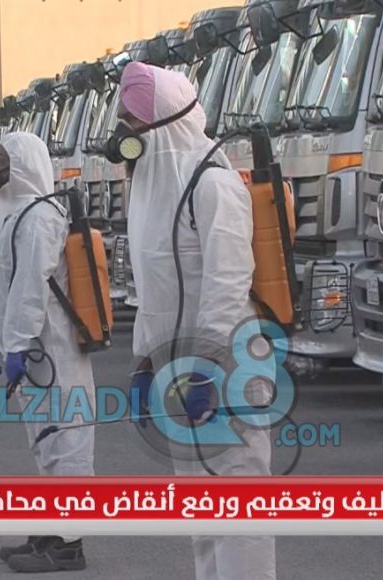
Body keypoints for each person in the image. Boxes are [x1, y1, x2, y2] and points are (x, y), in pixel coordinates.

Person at [118, 62, 276, 580]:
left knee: (238, 510)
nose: (125, 134)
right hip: (177, 373)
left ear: (165, 121)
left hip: (224, 372)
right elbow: (153, 288)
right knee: (203, 512)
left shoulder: (213, 183)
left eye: (133, 121)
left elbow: (229, 283)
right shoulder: (149, 188)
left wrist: (205, 367)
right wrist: (145, 363)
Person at [0, 132, 95, 573]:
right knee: (44, 440)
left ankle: (70, 543)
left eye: (1, 160)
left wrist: (16, 343)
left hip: (54, 349)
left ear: (24, 164)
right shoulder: (10, 214)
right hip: (30, 349)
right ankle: (50, 528)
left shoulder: (43, 216)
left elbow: (31, 288)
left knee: (67, 439)